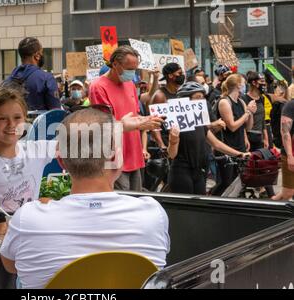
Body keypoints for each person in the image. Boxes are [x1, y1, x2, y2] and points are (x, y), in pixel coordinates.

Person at [0, 108, 170, 289]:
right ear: (115, 157)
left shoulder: (27, 219)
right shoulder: (152, 214)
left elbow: (10, 265)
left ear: (61, 161)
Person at [89, 45, 164, 191]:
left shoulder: (129, 84)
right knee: (122, 203)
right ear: (115, 64)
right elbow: (105, 125)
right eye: (129, 69)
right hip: (114, 158)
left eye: (135, 69)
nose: (132, 73)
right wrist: (139, 124)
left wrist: (146, 121)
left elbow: (136, 114)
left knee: (135, 202)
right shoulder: (98, 87)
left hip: (134, 155)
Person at [167, 82, 248, 195]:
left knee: (200, 206)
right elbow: (172, 154)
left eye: (203, 97)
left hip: (199, 170)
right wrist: (173, 140)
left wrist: (240, 154)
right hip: (181, 171)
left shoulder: (200, 123)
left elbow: (217, 144)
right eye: (198, 97)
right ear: (185, 100)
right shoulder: (176, 124)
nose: (202, 101)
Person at [211, 74, 257, 196]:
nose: (245, 86)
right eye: (243, 83)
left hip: (240, 145)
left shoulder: (241, 101)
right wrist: (247, 113)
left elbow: (247, 127)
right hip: (226, 146)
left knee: (238, 181)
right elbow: (232, 126)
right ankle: (213, 199)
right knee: (226, 182)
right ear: (238, 85)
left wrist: (250, 114)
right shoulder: (225, 102)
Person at [2, 37, 61, 111]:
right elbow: (55, 112)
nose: (42, 55)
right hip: (40, 122)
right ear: (37, 56)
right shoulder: (47, 78)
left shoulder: (5, 82)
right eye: (41, 52)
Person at [149, 63, 186, 149]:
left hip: (180, 141)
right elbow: (154, 123)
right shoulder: (160, 96)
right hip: (167, 142)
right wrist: (161, 144)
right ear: (170, 76)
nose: (182, 76)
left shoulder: (181, 93)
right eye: (179, 73)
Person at [272, 98, 294, 200]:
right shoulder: (291, 105)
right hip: (291, 153)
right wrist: (290, 155)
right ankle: (269, 210)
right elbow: (285, 131)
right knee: (288, 193)